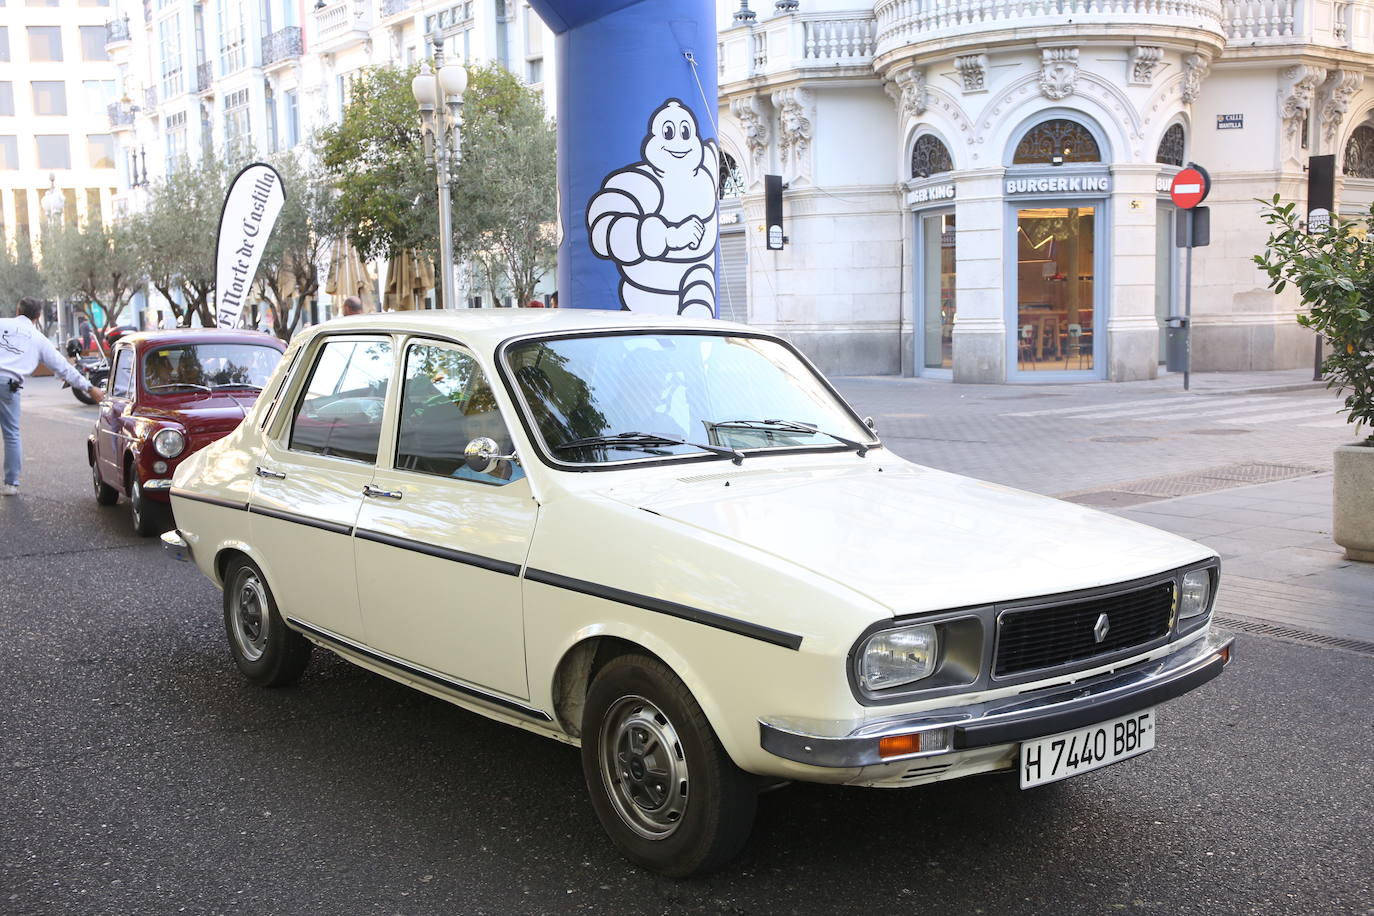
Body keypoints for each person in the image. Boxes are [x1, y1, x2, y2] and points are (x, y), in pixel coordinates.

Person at [0, 297, 105, 496]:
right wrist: (90, 388)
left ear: (17, 310)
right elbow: (64, 369)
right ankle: (10, 484)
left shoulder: (1, 323)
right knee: (11, 434)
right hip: (9, 387)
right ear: (38, 316)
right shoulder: (39, 339)